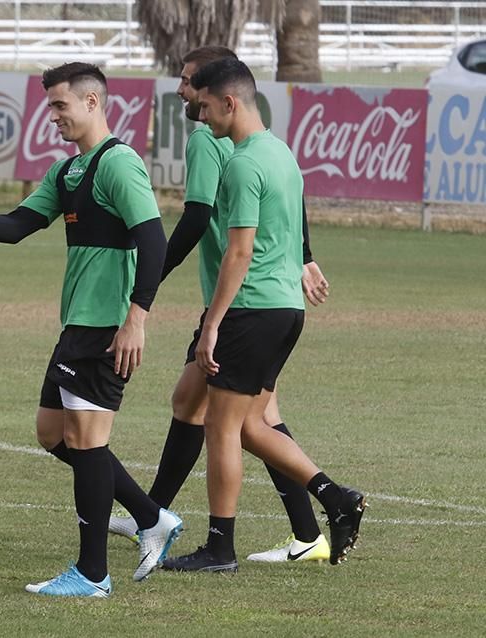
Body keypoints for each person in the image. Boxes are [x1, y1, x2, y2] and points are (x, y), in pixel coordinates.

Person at [0, 62, 182, 598]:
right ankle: (152, 517)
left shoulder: (119, 165)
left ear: (93, 103)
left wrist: (136, 319)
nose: (51, 115)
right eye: (49, 105)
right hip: (77, 326)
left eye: (60, 105)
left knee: (87, 442)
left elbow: (153, 241)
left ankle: (94, 574)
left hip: (105, 329)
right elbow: (16, 227)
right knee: (53, 435)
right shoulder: (67, 172)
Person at [108, 46, 335, 565]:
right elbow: (287, 196)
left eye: (190, 83)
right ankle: (157, 513)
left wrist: (151, 280)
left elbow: (203, 219)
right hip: (257, 300)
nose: (184, 93)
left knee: (240, 423)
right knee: (197, 402)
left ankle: (306, 516)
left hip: (242, 302)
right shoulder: (268, 144)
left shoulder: (213, 141)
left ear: (224, 99)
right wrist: (303, 255)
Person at [159, 58, 365, 572]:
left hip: (250, 311)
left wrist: (211, 325)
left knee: (223, 430)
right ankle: (334, 498)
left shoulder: (244, 163)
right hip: (285, 311)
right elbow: (293, 235)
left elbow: (239, 253)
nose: (200, 117)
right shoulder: (283, 154)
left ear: (229, 102)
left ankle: (219, 548)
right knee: (251, 426)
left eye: (204, 107)